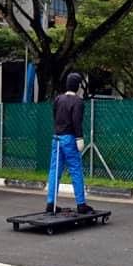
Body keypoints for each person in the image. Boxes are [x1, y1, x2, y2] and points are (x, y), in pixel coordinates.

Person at [46, 72, 93, 215]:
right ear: (78, 86)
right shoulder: (78, 102)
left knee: (55, 171)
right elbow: (76, 121)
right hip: (70, 139)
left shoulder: (58, 99)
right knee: (75, 170)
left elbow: (55, 116)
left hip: (56, 138)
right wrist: (79, 138)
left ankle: (50, 203)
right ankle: (81, 204)